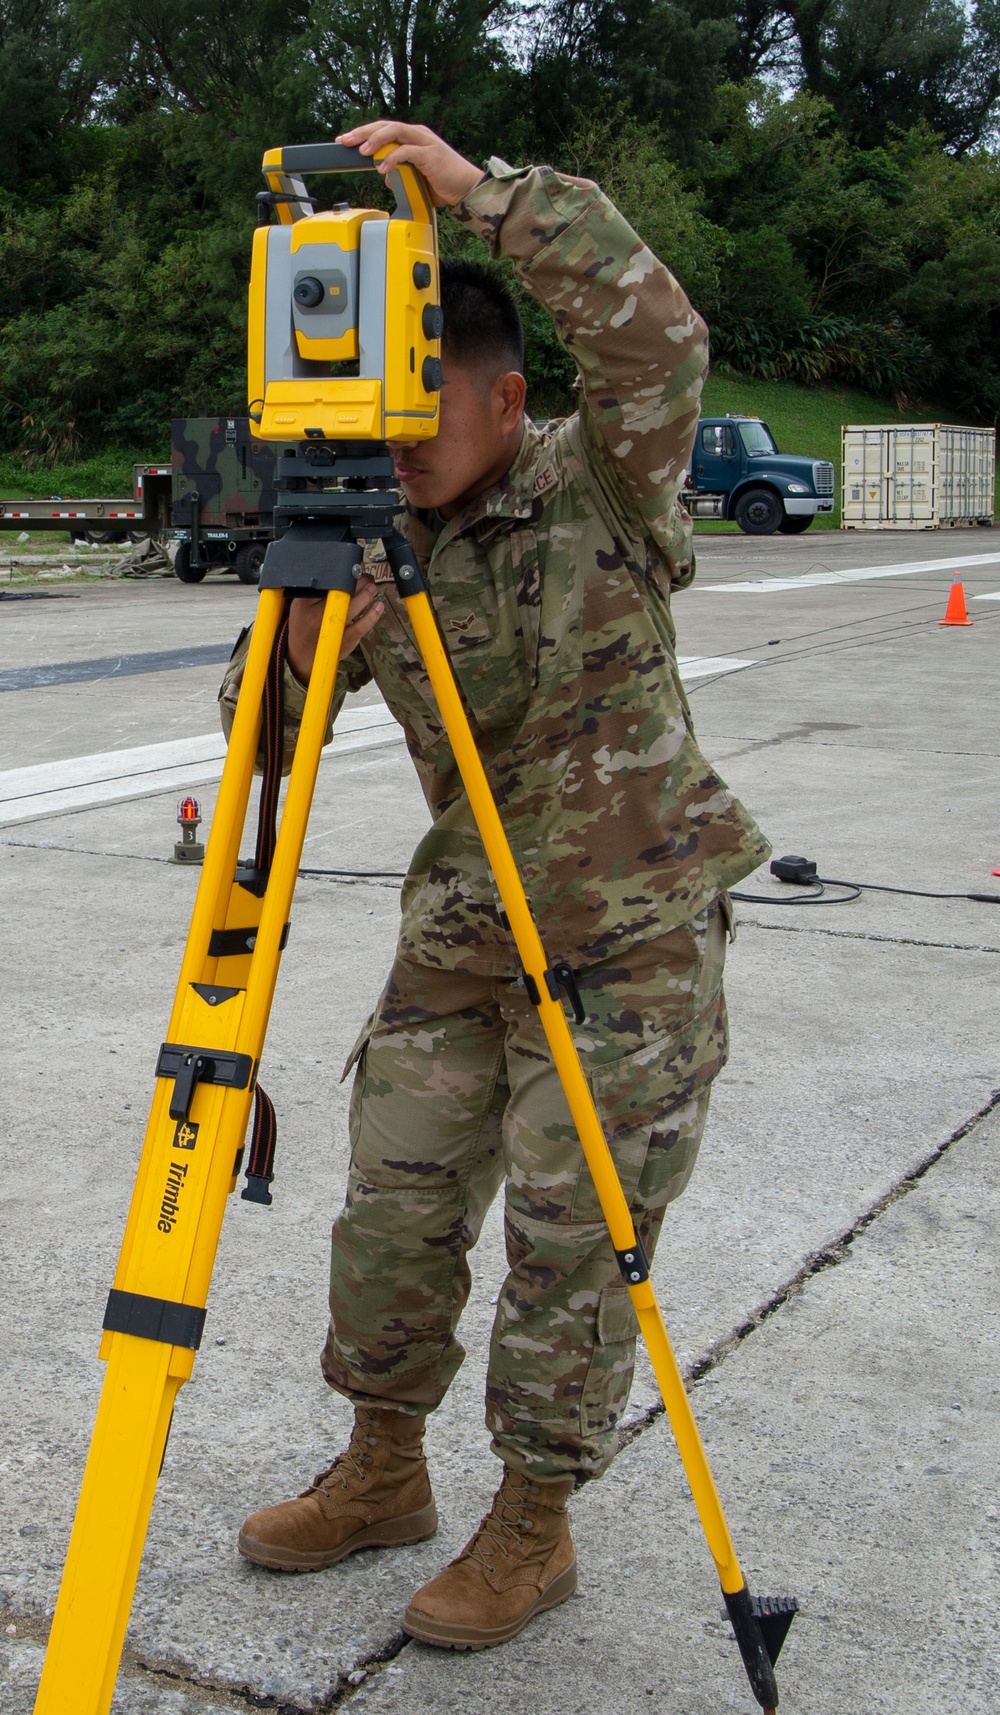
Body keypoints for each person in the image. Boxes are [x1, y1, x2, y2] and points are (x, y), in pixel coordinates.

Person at [219, 120, 770, 1651]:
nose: (400, 438)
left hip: (632, 933)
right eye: (382, 404)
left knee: (571, 1241)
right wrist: (310, 614)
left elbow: (656, 338)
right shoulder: (375, 533)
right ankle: (382, 1468)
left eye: (428, 404)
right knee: (391, 1205)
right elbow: (256, 739)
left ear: (506, 397)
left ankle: (534, 1525)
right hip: (467, 922)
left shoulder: (603, 483)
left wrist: (477, 199)